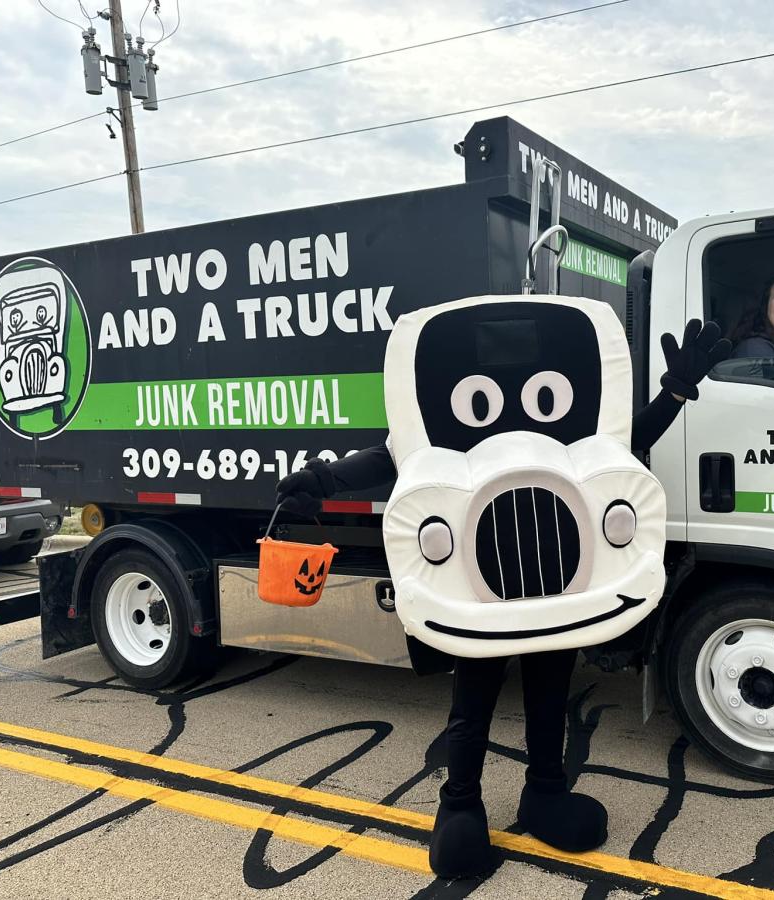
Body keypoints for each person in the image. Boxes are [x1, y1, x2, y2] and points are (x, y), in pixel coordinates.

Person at [274, 317, 730, 879]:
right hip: (479, 590)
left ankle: (544, 793)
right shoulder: (438, 414)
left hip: (562, 587)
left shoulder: (576, 414)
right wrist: (322, 480)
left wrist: (675, 393)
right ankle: (460, 803)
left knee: (548, 699)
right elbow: (392, 457)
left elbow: (623, 443)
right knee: (473, 707)